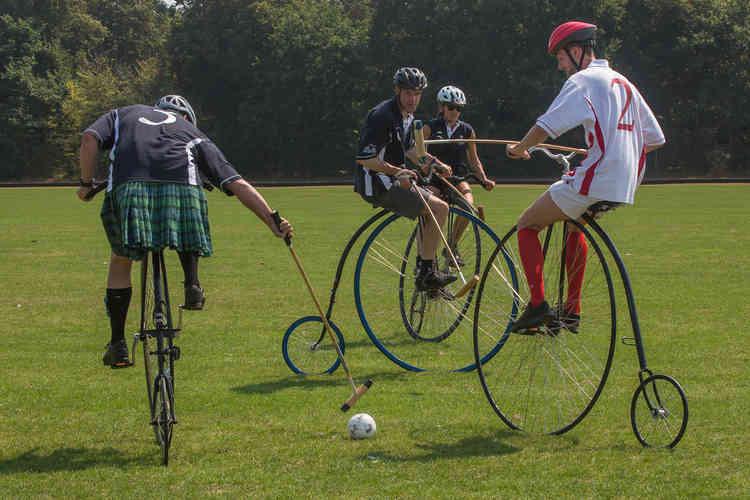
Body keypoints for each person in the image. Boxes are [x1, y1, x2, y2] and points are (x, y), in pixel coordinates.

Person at [77, 94, 293, 368]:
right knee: (188, 216)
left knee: (121, 259)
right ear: (187, 117)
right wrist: (273, 221)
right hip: (184, 192)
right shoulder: (193, 133)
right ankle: (193, 286)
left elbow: (89, 139)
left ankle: (118, 344)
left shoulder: (123, 114)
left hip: (131, 188)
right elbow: (236, 183)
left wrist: (85, 183)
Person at [505, 21, 665, 332]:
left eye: (561, 57)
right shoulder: (623, 82)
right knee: (571, 224)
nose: (560, 65)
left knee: (527, 224)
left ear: (576, 51)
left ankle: (537, 305)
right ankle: (571, 311)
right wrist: (609, 143)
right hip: (627, 180)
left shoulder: (584, 81)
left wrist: (520, 148)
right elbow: (655, 137)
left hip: (598, 176)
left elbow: (546, 127)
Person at [354, 67, 457, 291]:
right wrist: (397, 171)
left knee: (435, 202)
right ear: (397, 90)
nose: (413, 99)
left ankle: (425, 268)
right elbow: (365, 158)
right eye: (408, 93)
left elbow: (412, 150)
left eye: (417, 94)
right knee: (439, 209)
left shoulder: (408, 118)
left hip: (393, 181)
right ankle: (427, 274)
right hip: (378, 184)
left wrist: (435, 164)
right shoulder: (383, 116)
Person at [423, 85, 495, 266]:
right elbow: (420, 155)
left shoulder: (467, 131)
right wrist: (433, 168)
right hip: (436, 178)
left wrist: (484, 179)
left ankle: (451, 246)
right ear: (442, 107)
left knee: (469, 205)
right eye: (451, 107)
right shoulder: (429, 127)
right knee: (433, 206)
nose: (455, 111)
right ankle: (428, 253)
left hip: (458, 178)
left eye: (459, 108)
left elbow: (474, 160)